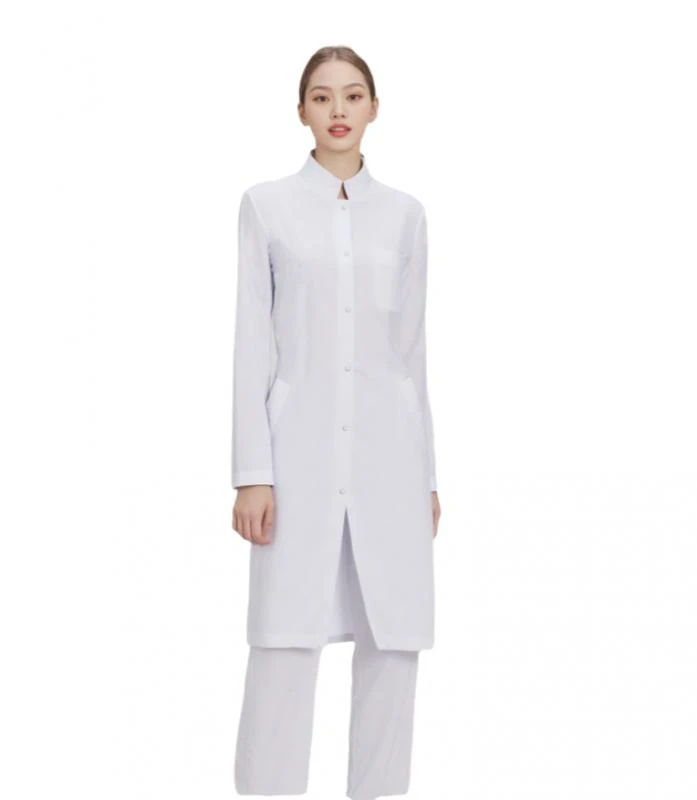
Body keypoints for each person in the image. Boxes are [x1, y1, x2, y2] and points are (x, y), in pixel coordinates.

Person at [230, 44, 441, 799]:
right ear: (301, 112)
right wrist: (252, 473)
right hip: (298, 456)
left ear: (375, 108)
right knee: (285, 637)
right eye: (322, 97)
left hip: (390, 458)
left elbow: (411, 355)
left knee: (393, 640)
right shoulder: (267, 207)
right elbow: (253, 342)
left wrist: (427, 478)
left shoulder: (406, 216)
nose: (339, 110)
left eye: (353, 96)